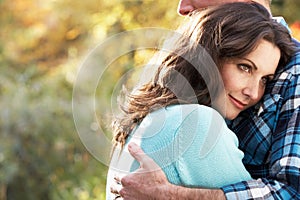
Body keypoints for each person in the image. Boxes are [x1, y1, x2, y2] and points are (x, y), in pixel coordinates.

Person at [107, 2, 296, 199]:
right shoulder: (198, 124)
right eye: (245, 67)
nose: (254, 93)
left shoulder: (153, 115)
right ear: (212, 57)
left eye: (265, 80)